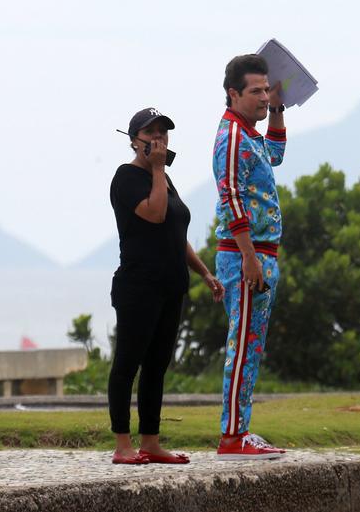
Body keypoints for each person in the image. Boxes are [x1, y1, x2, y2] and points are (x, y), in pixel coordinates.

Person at [108, 107, 224, 464]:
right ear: (135, 141)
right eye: (152, 134)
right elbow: (155, 213)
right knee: (128, 363)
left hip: (171, 285)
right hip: (138, 286)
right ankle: (122, 445)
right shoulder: (127, 178)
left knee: (157, 366)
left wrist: (204, 272)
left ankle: (151, 441)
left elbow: (175, 231)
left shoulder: (165, 180)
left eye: (164, 134)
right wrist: (158, 168)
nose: (159, 140)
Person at [212, 54, 288, 460]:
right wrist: (249, 258)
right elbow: (231, 196)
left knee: (251, 346)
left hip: (260, 254)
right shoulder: (231, 137)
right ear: (233, 93)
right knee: (241, 345)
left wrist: (277, 108)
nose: (262, 97)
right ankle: (231, 436)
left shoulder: (251, 133)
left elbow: (275, 155)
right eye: (257, 91)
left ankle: (240, 430)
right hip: (245, 256)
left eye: (266, 89)